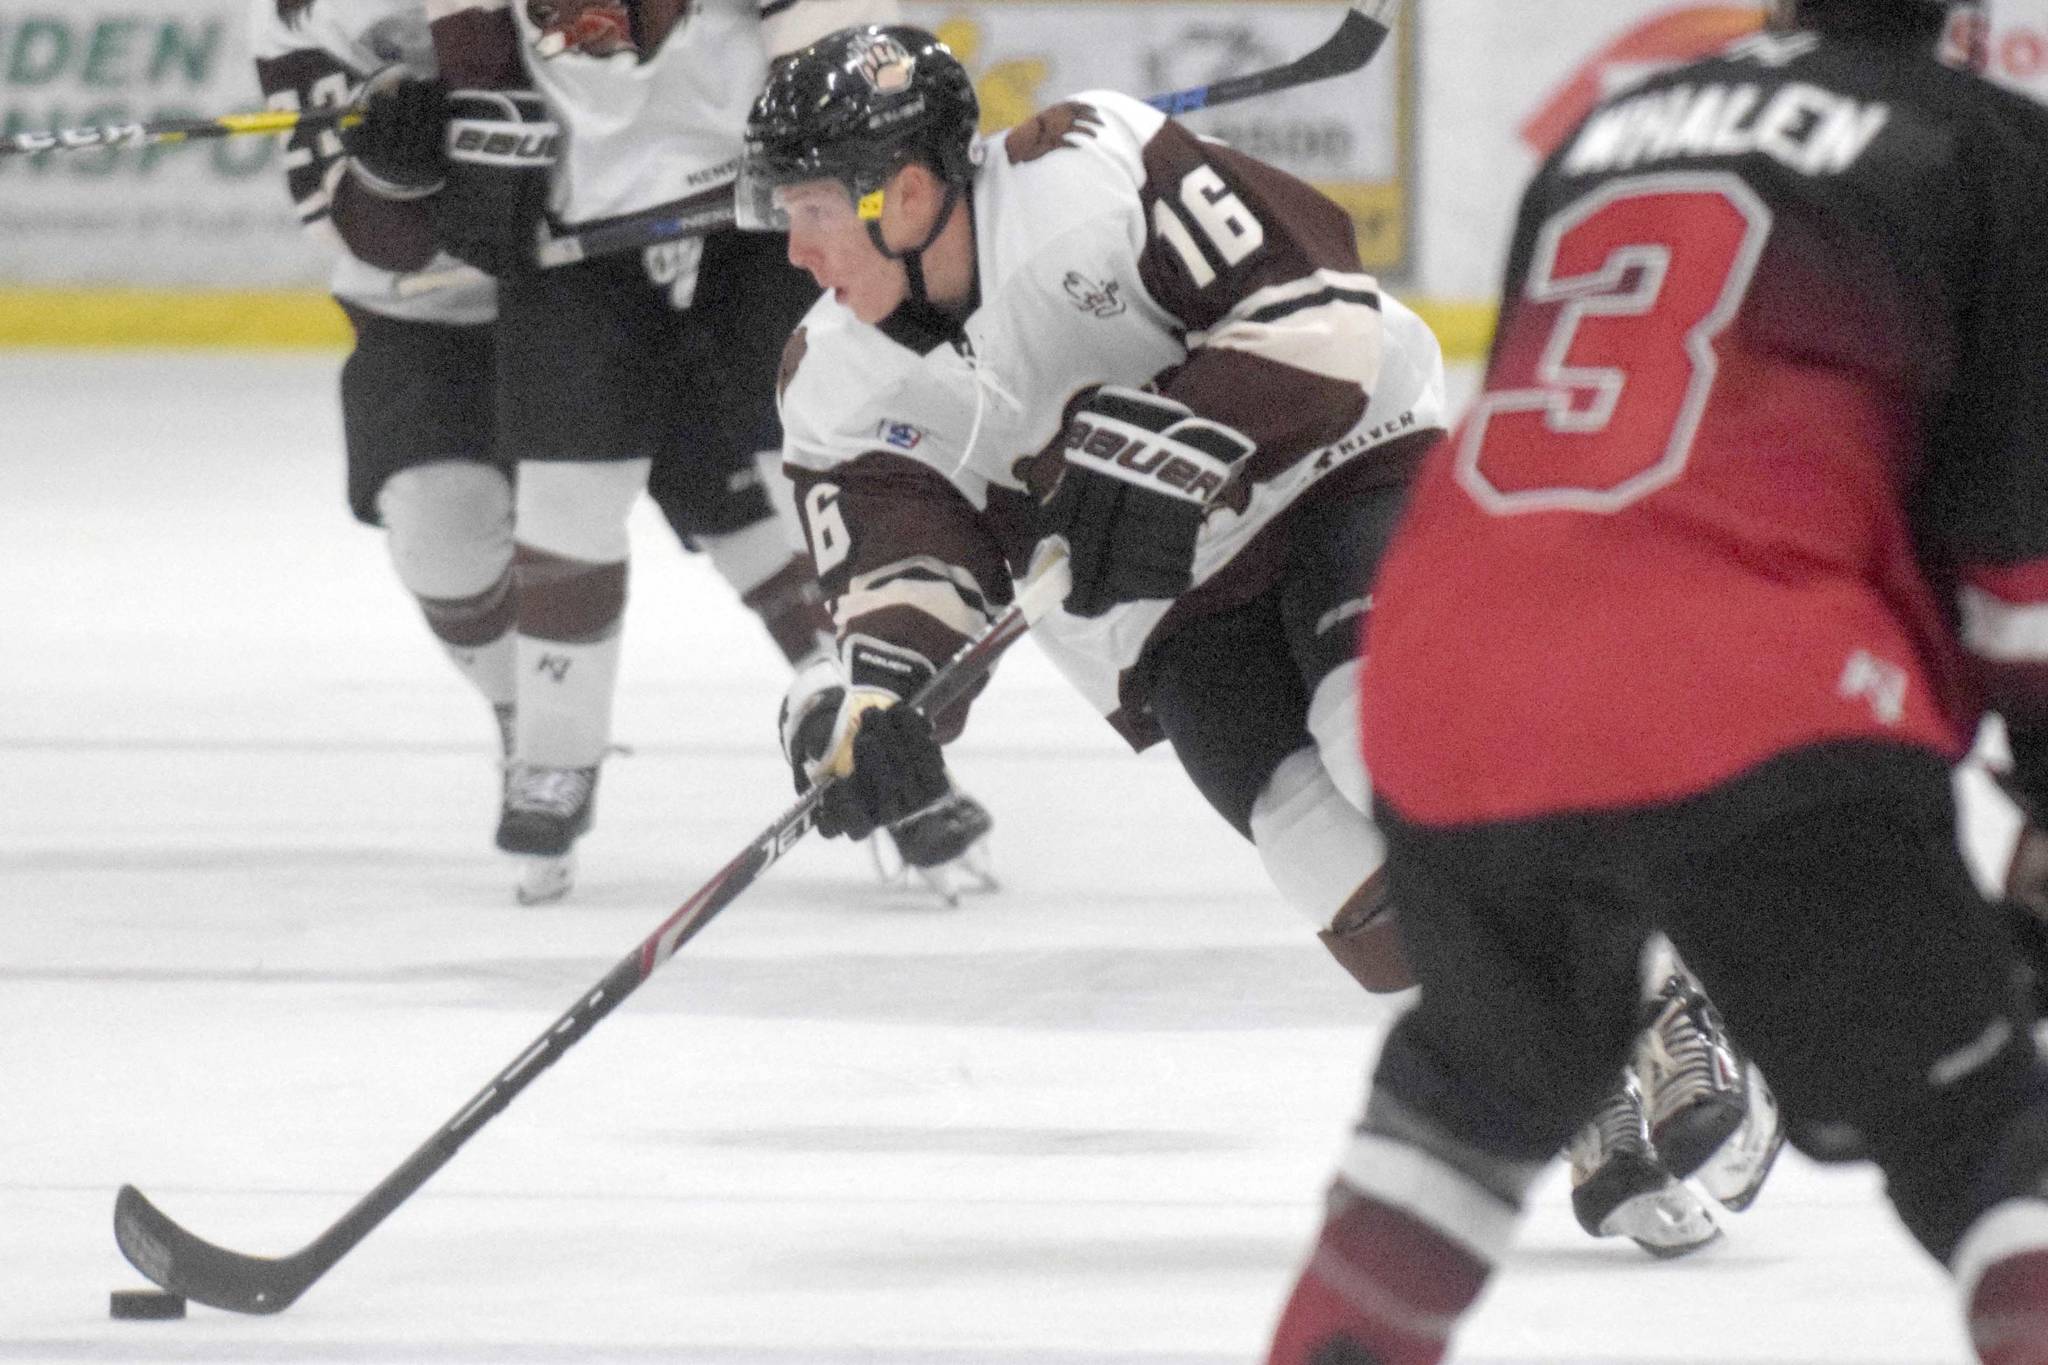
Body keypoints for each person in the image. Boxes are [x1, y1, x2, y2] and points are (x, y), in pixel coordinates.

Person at [742, 31, 1785, 1251]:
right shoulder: (832, 378)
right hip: (1156, 604)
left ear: (906, 191)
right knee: (1342, 882)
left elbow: (1325, 317)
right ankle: (1574, 1069)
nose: (796, 247)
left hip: (1337, 470)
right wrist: (875, 703)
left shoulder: (1089, 172)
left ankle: (1662, 1000)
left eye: (813, 208)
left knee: (1383, 738)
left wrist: (1179, 432)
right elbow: (901, 569)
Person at [1264, 0, 2048, 1360]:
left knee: (1465, 1104)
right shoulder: (1989, 149)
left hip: (1447, 673)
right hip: (1752, 678)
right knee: (1985, 1141)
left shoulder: (1613, 122)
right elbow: (2015, 555)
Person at [325, 0, 992, 902]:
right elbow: (463, 44)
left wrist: (822, 151)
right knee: (571, 493)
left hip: (761, 211)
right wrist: (458, 116)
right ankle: (555, 755)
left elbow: (831, 28)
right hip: (580, 220)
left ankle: (891, 736)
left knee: (809, 469)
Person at [251, 0, 515, 811]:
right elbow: (347, 223)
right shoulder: (303, 10)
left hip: (629, 279)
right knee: (442, 536)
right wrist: (388, 167)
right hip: (430, 312)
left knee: (780, 500)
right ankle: (529, 713)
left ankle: (870, 715)